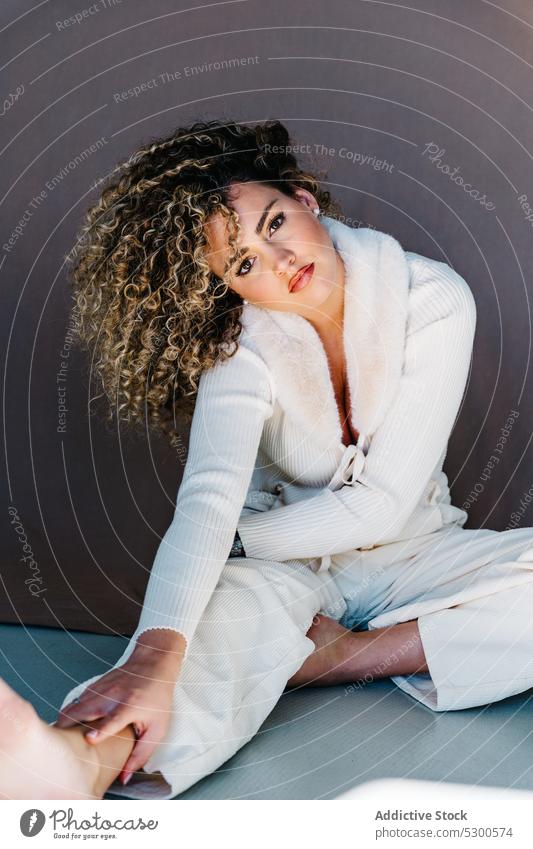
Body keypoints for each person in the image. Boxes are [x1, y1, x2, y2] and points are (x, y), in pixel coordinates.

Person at [2, 118, 533, 801]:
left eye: (274, 221)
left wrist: (239, 542)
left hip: (411, 550)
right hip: (284, 572)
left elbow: (383, 505)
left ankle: (335, 657)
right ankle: (75, 763)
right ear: (227, 286)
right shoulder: (240, 350)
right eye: (244, 262)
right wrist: (158, 648)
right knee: (187, 652)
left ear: (304, 199)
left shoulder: (431, 298)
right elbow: (207, 499)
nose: (279, 262)